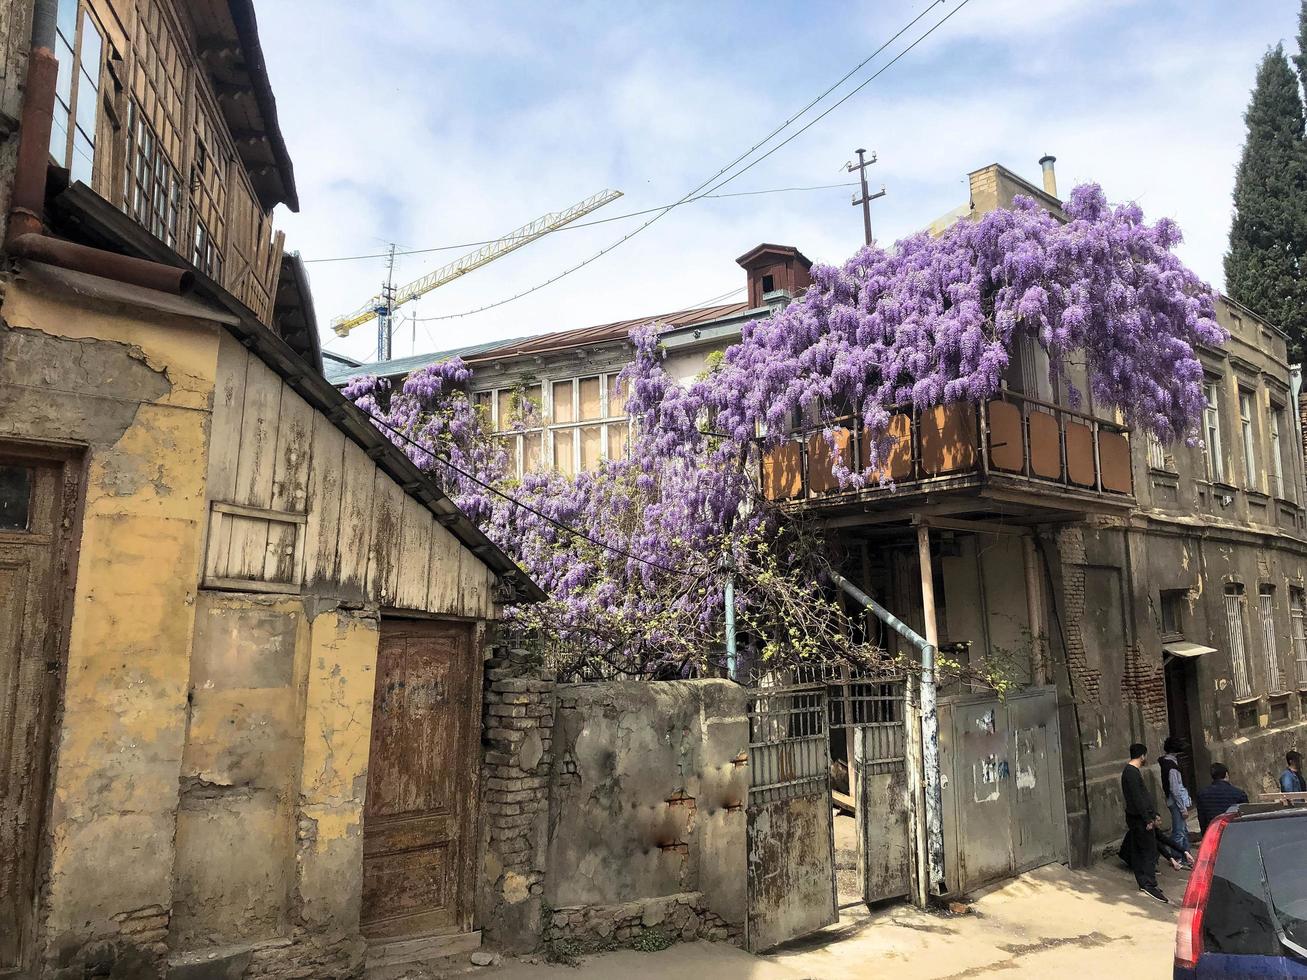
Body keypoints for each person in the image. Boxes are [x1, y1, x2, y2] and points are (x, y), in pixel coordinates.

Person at [1122, 742, 1168, 903]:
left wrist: (1153, 814)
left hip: (1140, 817)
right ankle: (1148, 883)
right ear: (1142, 755)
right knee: (1149, 850)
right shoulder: (1131, 773)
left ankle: (1145, 881)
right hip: (1139, 819)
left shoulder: (1132, 772)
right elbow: (1137, 798)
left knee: (1141, 849)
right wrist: (1147, 819)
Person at [1159, 736, 1194, 865]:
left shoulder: (1167, 763)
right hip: (1176, 803)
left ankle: (1186, 856)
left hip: (1174, 802)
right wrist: (1182, 808)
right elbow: (1175, 789)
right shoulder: (1171, 766)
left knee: (1183, 830)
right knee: (1179, 831)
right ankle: (1177, 856)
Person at [1195, 763, 1248, 833]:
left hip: (1213, 832)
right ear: (1226, 775)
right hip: (1234, 832)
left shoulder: (1202, 795)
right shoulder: (1239, 793)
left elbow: (1202, 820)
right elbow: (1246, 817)